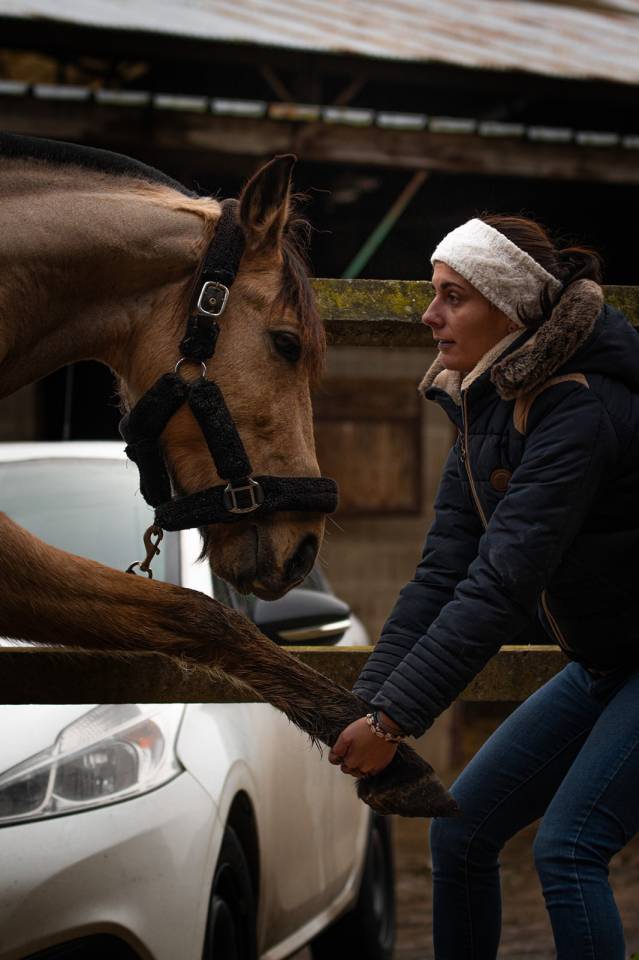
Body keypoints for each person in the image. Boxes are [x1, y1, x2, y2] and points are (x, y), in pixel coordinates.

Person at [328, 214, 639, 960]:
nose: (429, 314)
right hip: (605, 659)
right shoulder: (484, 401)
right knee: (461, 830)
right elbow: (442, 569)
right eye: (433, 294)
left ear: (510, 307)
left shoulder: (579, 404)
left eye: (451, 296)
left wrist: (395, 722)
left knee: (566, 849)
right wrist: (367, 702)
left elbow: (501, 580)